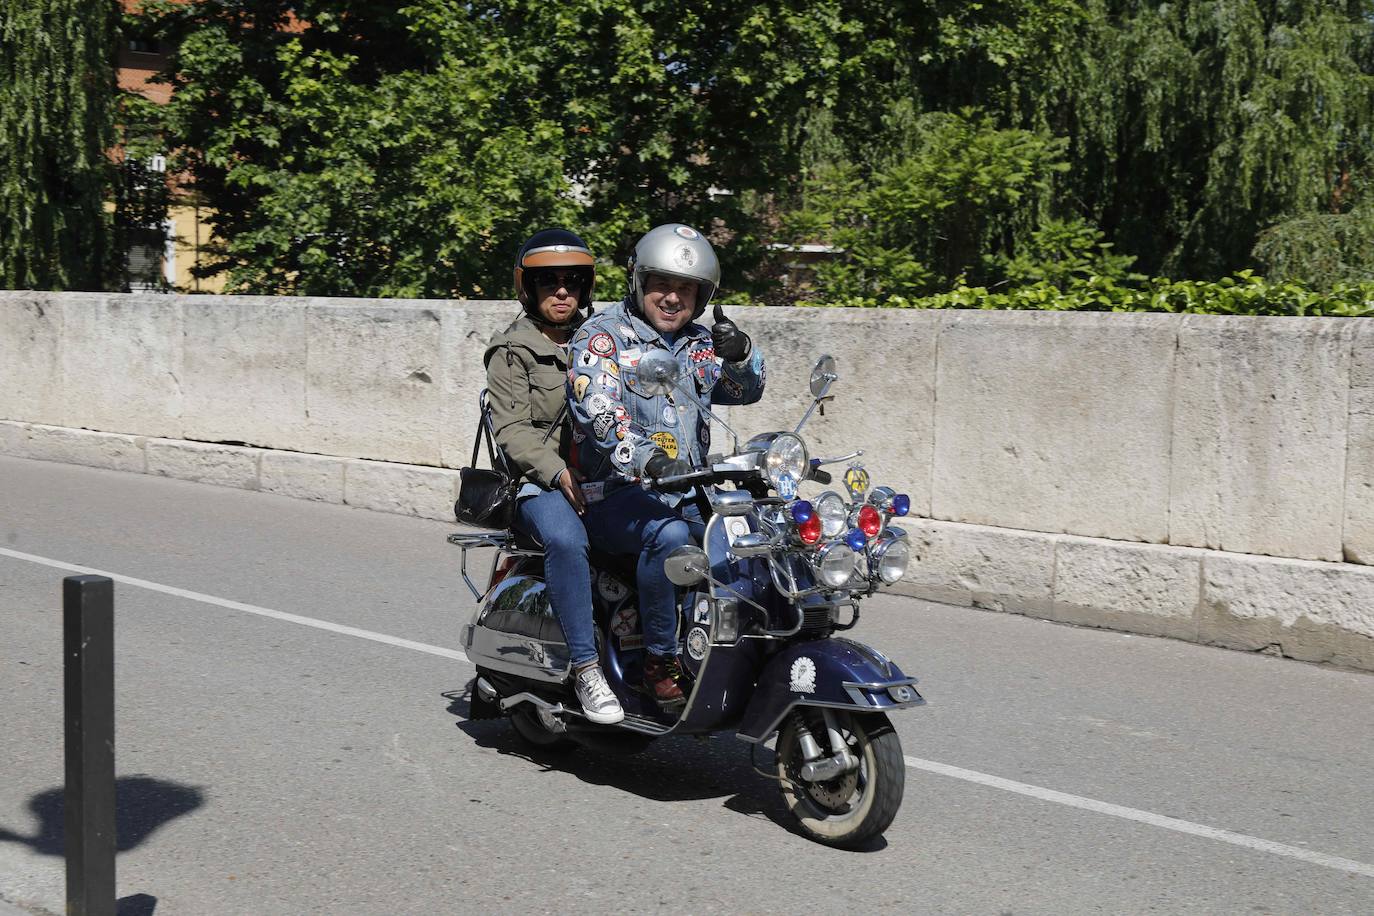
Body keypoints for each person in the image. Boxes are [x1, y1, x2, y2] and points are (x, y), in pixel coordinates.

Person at [567, 223, 765, 708]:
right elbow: (598, 411)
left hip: (689, 489)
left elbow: (742, 392)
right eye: (662, 284)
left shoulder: (700, 342)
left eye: (686, 288)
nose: (673, 298)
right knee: (671, 537)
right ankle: (660, 661)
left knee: (753, 533)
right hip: (615, 494)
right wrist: (649, 458)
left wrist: (740, 356)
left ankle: (740, 646)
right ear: (638, 280)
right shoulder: (601, 338)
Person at [484, 228, 624, 725]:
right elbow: (513, 432)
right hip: (536, 483)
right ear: (529, 288)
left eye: (571, 281)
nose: (561, 291)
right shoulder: (511, 351)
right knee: (566, 541)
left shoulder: (604, 340)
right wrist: (558, 471)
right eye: (549, 282)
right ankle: (587, 669)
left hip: (603, 476)